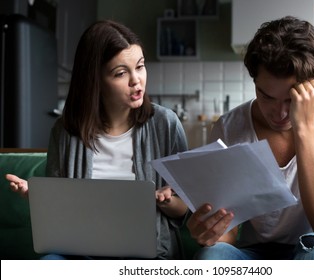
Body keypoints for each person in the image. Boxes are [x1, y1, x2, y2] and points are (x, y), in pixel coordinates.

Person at [186, 16, 314, 260]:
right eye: (267, 97)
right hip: (258, 253)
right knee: (213, 255)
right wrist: (210, 231)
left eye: (292, 99)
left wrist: (305, 127)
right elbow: (227, 237)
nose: (281, 113)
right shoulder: (230, 127)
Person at [6, 20, 189, 260]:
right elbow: (60, 219)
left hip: (149, 257)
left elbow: (185, 210)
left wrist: (166, 202)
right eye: (121, 73)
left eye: (140, 67)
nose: (136, 80)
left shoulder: (166, 124)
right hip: (80, 257)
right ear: (95, 80)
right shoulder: (65, 132)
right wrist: (40, 199)